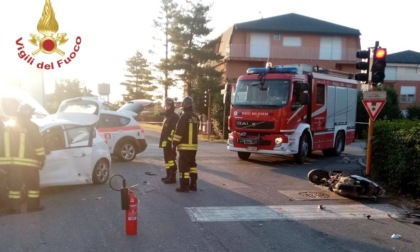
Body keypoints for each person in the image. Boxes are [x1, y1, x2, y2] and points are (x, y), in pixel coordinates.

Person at [3, 103, 45, 214]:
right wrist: (42, 158)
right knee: (33, 186)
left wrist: (4, 163)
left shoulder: (9, 126)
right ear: (29, 113)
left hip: (13, 163)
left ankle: (14, 208)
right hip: (30, 162)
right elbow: (38, 144)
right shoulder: (32, 126)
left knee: (14, 186)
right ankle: (32, 206)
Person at [172, 96, 199, 193]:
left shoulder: (183, 117)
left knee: (183, 167)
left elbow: (179, 133)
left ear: (184, 106)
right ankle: (193, 184)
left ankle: (184, 186)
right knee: (192, 166)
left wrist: (174, 144)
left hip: (184, 147)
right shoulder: (195, 117)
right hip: (194, 147)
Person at [159, 98, 179, 184]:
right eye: (165, 105)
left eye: (168, 105)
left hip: (170, 143)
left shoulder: (174, 117)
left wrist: (170, 142)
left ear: (171, 106)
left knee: (171, 160)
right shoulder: (166, 117)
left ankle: (172, 177)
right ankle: (168, 175)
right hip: (165, 142)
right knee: (167, 160)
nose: (166, 107)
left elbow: (174, 130)